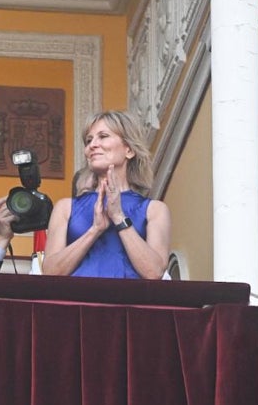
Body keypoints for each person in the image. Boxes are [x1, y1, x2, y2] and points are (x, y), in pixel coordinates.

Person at [36, 110, 171, 279]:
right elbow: (51, 271)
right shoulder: (65, 207)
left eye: (103, 136)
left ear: (129, 150)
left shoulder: (155, 209)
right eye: (89, 140)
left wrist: (119, 218)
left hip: (128, 304)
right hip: (77, 302)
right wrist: (95, 230)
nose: (92, 145)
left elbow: (153, 272)